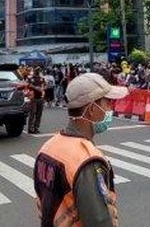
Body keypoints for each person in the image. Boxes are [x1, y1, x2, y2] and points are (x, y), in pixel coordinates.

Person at [33, 72, 127, 227]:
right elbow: (99, 221)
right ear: (91, 109)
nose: (110, 108)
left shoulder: (48, 147)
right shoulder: (86, 160)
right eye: (107, 103)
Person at [27, 68, 46, 134]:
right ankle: (30, 128)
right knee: (32, 113)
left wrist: (42, 88)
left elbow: (44, 86)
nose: (37, 72)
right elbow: (28, 85)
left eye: (39, 70)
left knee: (39, 114)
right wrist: (36, 88)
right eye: (36, 70)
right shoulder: (31, 78)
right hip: (33, 98)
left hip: (40, 97)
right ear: (34, 71)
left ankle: (36, 127)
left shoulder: (42, 78)